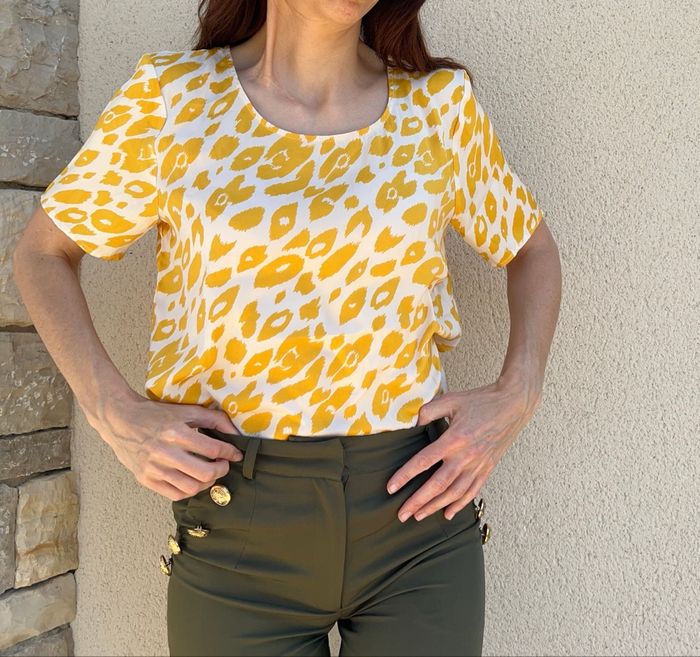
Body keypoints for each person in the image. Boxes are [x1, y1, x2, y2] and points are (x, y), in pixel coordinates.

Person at [12, 1, 561, 655]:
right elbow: (42, 254)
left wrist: (519, 389)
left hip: (416, 519)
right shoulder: (175, 101)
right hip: (239, 527)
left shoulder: (438, 108)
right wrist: (112, 409)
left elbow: (531, 249)